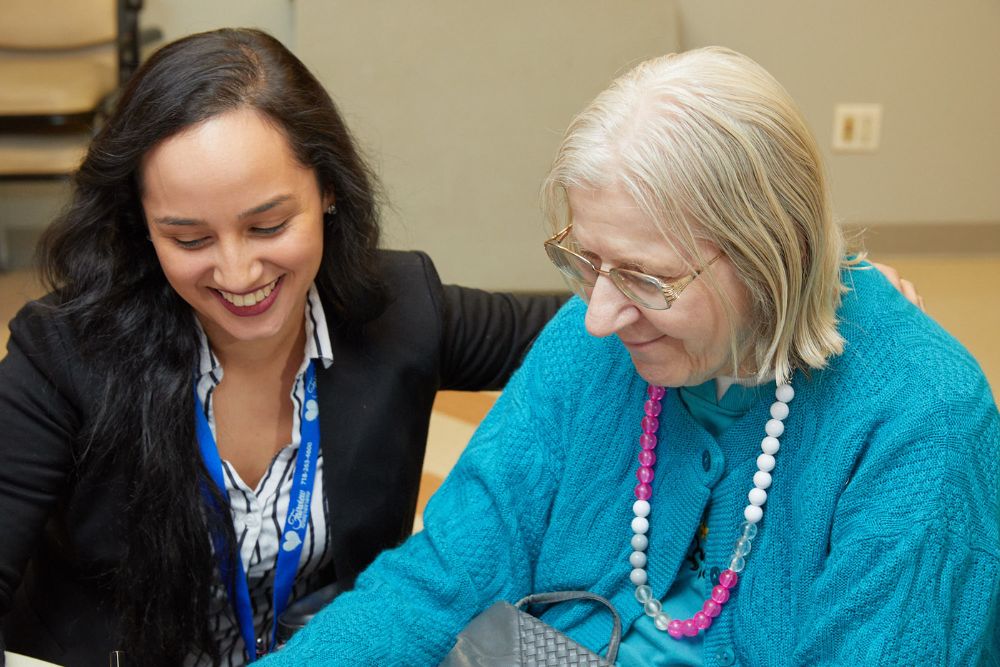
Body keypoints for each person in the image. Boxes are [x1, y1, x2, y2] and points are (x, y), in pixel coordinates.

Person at [259, 47, 1000, 665]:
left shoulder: (922, 417)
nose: (600, 316)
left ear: (772, 256)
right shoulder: (596, 344)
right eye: (585, 261)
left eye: (647, 277)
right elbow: (435, 581)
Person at [0, 29, 566, 667]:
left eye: (267, 226)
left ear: (327, 190)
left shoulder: (402, 307)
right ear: (141, 224)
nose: (238, 274)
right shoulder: (63, 352)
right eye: (189, 239)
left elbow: (598, 329)